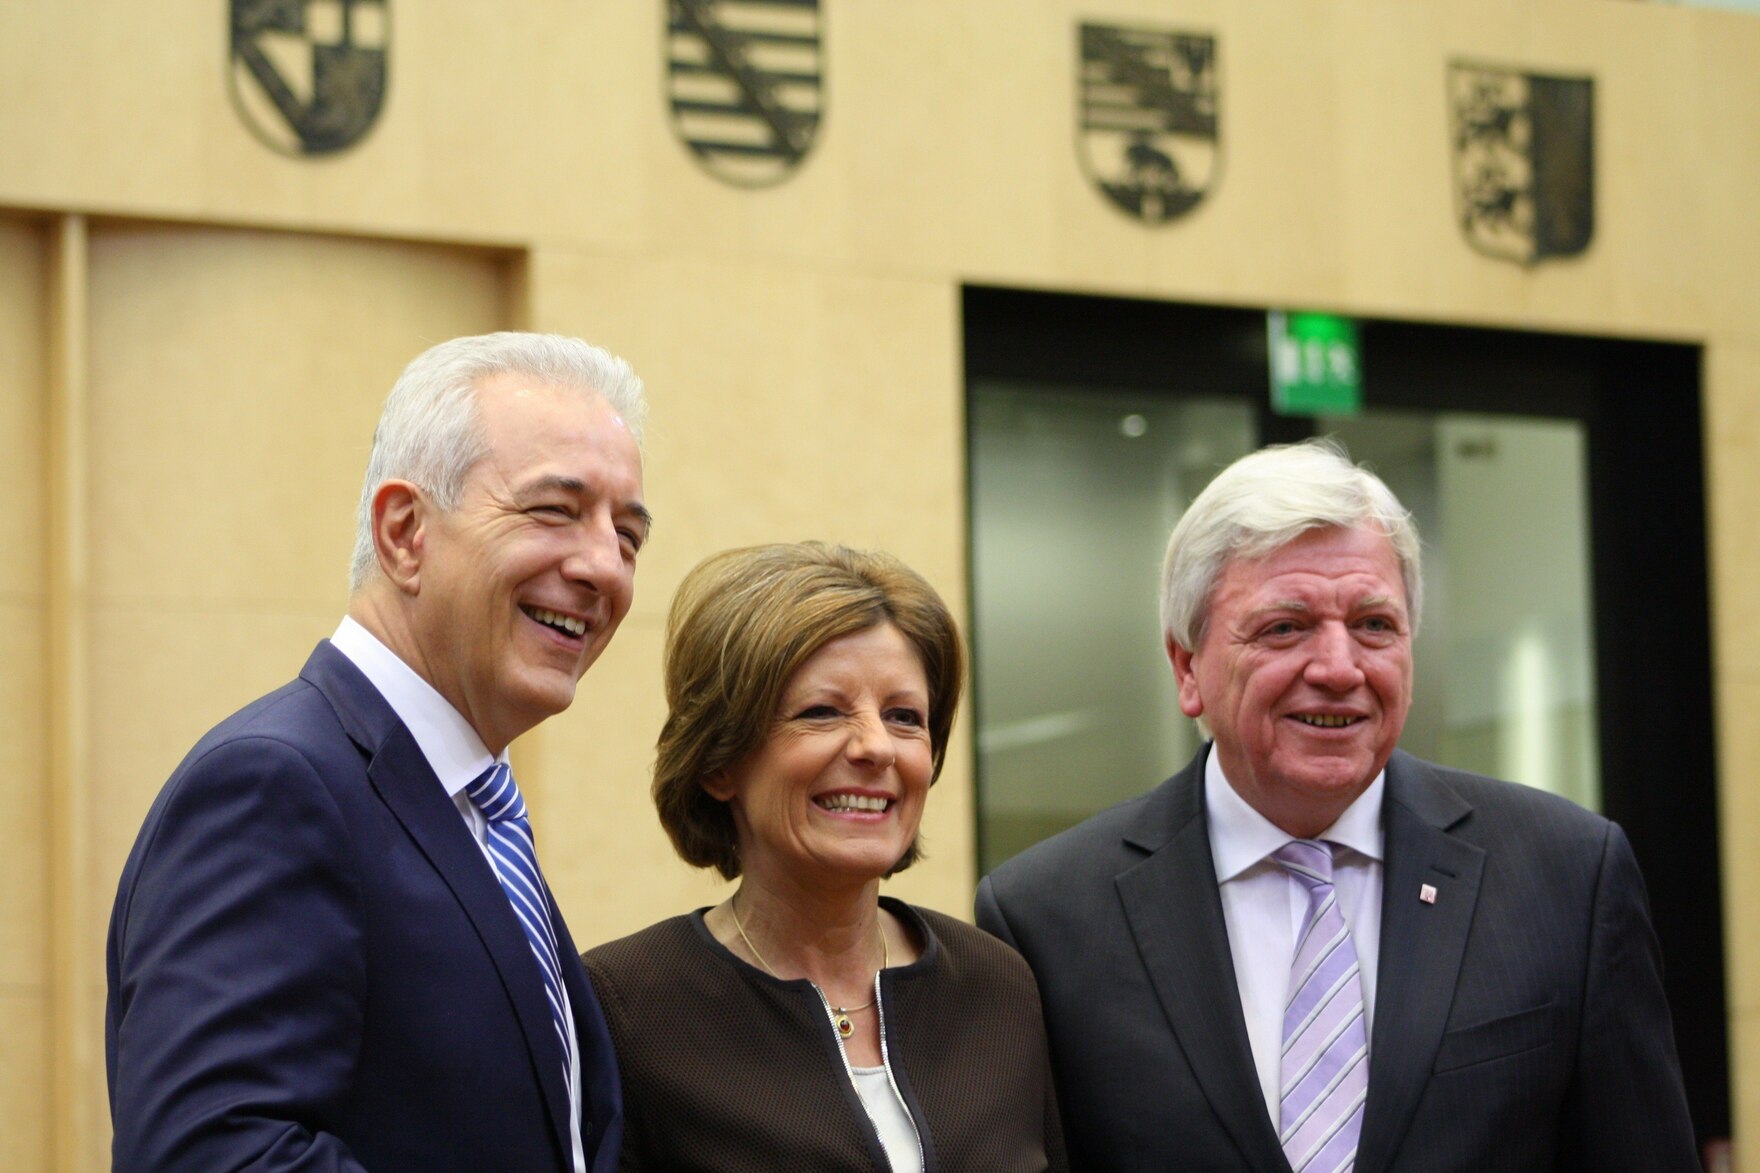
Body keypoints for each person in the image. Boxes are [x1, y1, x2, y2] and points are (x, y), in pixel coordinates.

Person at [976, 438, 1698, 1172]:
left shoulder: (1567, 875)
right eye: (1284, 627)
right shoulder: (1044, 917)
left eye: (1373, 625)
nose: (1339, 667)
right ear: (1187, 666)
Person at [107, 332, 652, 1172]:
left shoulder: (470, 807)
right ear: (404, 532)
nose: (602, 567)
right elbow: (215, 1152)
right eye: (555, 510)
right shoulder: (276, 785)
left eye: (628, 535)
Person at [584, 542, 1065, 1172]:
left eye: (904, 716)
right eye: (821, 712)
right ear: (720, 761)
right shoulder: (627, 1009)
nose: (876, 747)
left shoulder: (998, 986)